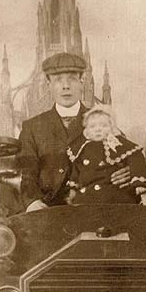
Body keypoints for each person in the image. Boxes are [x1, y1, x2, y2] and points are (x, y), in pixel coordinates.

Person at [18, 52, 131, 211]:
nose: (66, 86)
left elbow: (126, 157)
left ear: (82, 82)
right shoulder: (32, 127)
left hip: (94, 208)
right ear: (49, 85)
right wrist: (32, 202)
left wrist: (128, 170)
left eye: (71, 78)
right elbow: (26, 173)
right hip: (47, 210)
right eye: (58, 80)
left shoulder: (102, 120)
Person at [66, 104, 146, 205]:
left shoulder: (118, 144)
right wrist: (72, 190)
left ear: (111, 127)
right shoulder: (82, 149)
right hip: (87, 196)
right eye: (93, 126)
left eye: (103, 125)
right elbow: (76, 171)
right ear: (86, 131)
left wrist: (139, 182)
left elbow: (136, 159)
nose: (98, 129)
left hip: (113, 194)